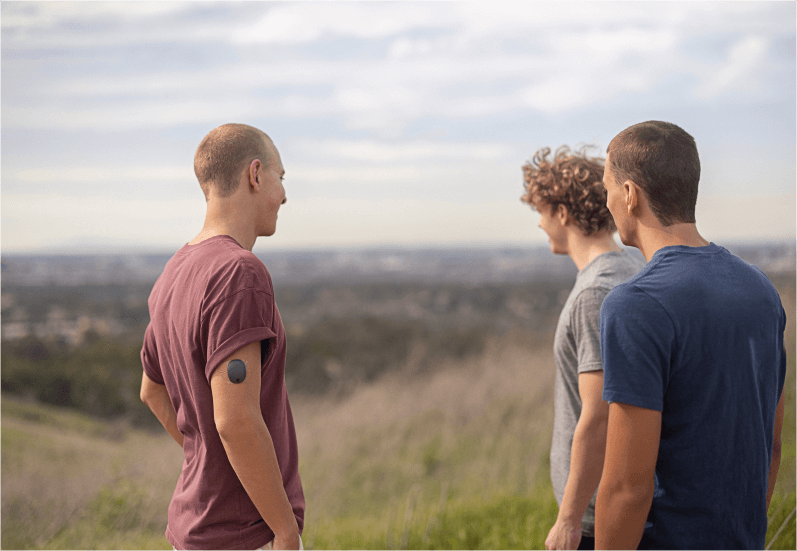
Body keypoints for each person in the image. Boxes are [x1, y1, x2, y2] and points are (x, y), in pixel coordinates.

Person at [595, 120, 786, 550]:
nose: (606, 202)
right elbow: (771, 445)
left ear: (630, 195)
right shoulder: (761, 290)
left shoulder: (636, 304)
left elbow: (628, 486)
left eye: (607, 188)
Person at [139, 123, 304, 551]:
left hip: (192, 529)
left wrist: (207, 458)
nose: (284, 195)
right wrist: (286, 534)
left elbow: (151, 392)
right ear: (255, 174)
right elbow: (235, 419)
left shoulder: (173, 272)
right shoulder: (239, 271)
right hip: (243, 534)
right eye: (280, 178)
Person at [521, 146, 644, 551]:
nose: (539, 223)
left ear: (562, 212)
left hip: (595, 519)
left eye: (540, 211)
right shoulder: (631, 269)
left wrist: (569, 519)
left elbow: (599, 415)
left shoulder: (596, 293)